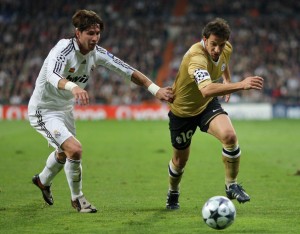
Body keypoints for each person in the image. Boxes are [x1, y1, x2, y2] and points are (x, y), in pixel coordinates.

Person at [28, 9, 173, 213]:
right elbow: (52, 75)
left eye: (97, 33)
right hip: (44, 109)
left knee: (64, 153)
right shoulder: (63, 49)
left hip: (65, 109)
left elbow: (127, 70)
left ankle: (42, 181)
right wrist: (74, 87)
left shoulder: (97, 53)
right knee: (75, 150)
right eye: (90, 33)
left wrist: (155, 90)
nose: (95, 38)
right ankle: (77, 198)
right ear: (78, 33)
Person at [165, 18, 264, 209]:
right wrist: (241, 85)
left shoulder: (226, 48)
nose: (217, 49)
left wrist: (227, 82)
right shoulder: (196, 57)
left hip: (206, 105)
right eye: (213, 44)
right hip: (183, 111)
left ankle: (231, 185)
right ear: (204, 39)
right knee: (179, 161)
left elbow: (224, 64)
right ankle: (173, 192)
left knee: (229, 136)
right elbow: (206, 89)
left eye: (221, 44)